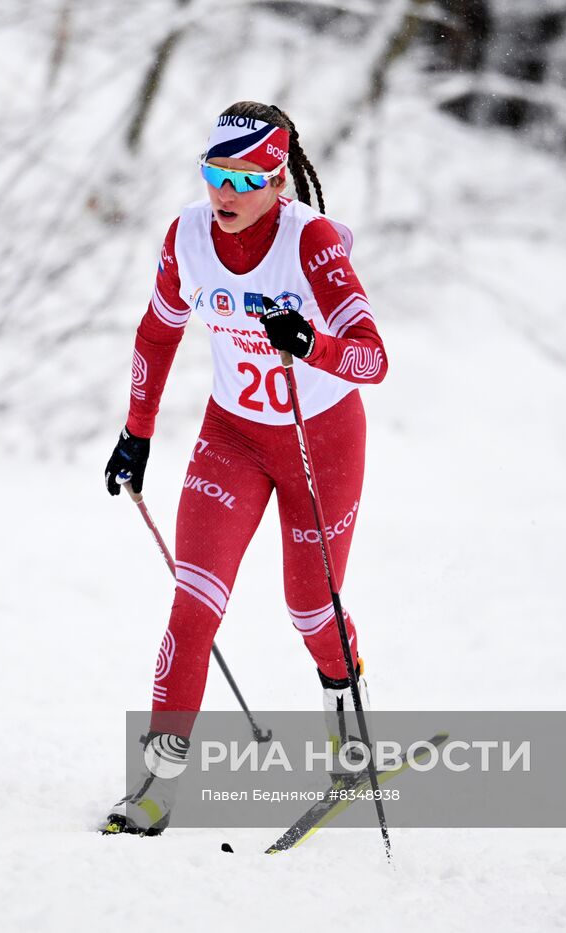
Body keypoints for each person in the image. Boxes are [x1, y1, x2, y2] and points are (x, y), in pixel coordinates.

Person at [100, 101, 389, 835]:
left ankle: (349, 746)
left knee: (310, 609)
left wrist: (311, 342)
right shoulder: (188, 237)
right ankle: (156, 787)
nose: (222, 194)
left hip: (319, 442)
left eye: (241, 179)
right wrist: (137, 434)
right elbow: (156, 332)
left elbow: (372, 356)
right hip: (233, 436)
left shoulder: (310, 241)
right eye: (212, 174)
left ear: (276, 180)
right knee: (194, 601)